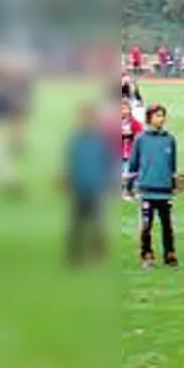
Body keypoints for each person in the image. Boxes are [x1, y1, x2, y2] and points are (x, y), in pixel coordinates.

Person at [127, 104, 180, 268]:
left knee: (167, 226)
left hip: (164, 191)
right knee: (146, 226)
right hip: (147, 190)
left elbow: (172, 167)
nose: (161, 119)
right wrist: (130, 186)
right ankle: (147, 255)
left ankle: (170, 254)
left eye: (163, 115)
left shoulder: (170, 139)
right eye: (157, 115)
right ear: (149, 118)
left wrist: (173, 183)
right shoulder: (141, 139)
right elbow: (133, 165)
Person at [64, 102, 114, 267]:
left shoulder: (100, 141)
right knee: (77, 223)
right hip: (79, 187)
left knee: (96, 223)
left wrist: (107, 182)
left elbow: (107, 162)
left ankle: (98, 254)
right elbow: (71, 162)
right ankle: (75, 255)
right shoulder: (75, 139)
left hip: (95, 187)